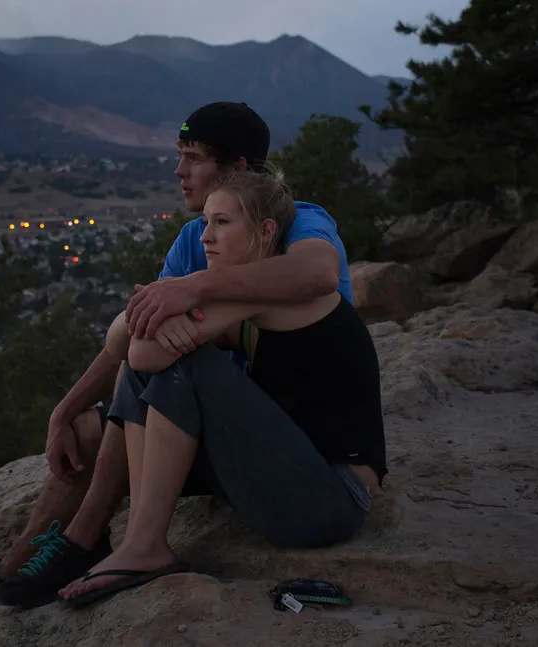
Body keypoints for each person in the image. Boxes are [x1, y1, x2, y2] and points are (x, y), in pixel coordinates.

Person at [0, 102, 356, 615]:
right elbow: (135, 329)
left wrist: (192, 289)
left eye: (192, 158)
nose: (179, 172)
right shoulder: (196, 238)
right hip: (215, 429)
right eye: (179, 157)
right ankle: (22, 560)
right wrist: (64, 410)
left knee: (159, 363)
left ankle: (90, 542)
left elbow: (317, 275)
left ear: (238, 168)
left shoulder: (296, 221)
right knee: (87, 430)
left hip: (277, 437)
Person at [57, 169, 387, 607]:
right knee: (148, 374)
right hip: (289, 482)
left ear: (266, 231)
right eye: (206, 222)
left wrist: (165, 304)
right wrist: (155, 309)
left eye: (222, 223)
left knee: (182, 362)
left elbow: (142, 353)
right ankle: (140, 539)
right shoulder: (239, 307)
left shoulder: (273, 293)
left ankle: (143, 547)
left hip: (330, 501)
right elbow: (123, 344)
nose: (205, 237)